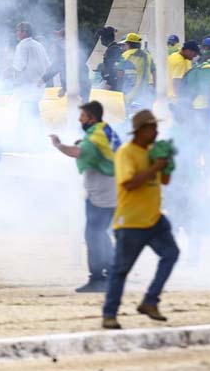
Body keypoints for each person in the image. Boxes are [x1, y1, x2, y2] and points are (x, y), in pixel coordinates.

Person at [102, 110, 178, 330]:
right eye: (152, 128)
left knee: (171, 254)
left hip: (154, 218)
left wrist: (167, 165)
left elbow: (164, 180)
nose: (156, 132)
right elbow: (128, 184)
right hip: (131, 222)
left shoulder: (153, 151)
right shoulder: (126, 152)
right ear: (141, 131)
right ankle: (109, 314)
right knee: (120, 270)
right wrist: (155, 166)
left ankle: (150, 301)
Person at [49, 101, 121, 293]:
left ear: (92, 117)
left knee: (93, 235)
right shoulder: (104, 130)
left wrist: (58, 145)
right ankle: (114, 273)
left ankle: (98, 279)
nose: (80, 119)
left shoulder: (96, 135)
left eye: (82, 116)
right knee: (101, 233)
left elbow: (78, 152)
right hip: (110, 190)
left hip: (102, 193)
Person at [11, 22, 51, 120]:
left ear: (24, 32)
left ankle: (29, 133)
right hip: (38, 86)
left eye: (18, 31)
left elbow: (19, 66)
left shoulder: (22, 46)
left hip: (28, 87)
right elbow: (48, 65)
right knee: (32, 114)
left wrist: (8, 71)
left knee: (26, 116)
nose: (16, 33)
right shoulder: (39, 45)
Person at [115, 33, 155, 115]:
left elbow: (119, 74)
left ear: (128, 44)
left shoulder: (124, 55)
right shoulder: (148, 56)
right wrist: (155, 87)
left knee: (128, 119)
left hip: (129, 93)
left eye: (123, 45)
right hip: (146, 93)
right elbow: (154, 72)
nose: (122, 47)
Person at [97, 26, 121, 91]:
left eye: (102, 37)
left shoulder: (113, 50)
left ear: (106, 38)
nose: (100, 39)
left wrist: (109, 83)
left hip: (112, 84)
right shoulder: (113, 48)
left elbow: (113, 67)